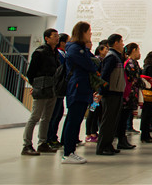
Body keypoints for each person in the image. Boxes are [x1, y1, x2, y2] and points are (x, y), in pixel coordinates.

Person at [61, 21, 98, 164]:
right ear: (82, 32)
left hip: (83, 87)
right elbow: (90, 65)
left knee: (76, 121)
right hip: (77, 87)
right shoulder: (75, 48)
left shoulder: (81, 48)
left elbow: (94, 64)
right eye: (89, 31)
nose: (90, 34)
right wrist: (90, 61)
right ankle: (68, 153)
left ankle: (71, 151)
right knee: (73, 121)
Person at [22, 28, 60, 156]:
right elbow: (30, 73)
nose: (57, 38)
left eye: (57, 36)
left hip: (52, 88)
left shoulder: (55, 53)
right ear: (47, 38)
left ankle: (42, 143)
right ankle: (27, 145)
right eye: (54, 36)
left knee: (47, 118)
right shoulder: (40, 52)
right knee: (35, 116)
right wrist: (36, 85)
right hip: (42, 88)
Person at [96, 34, 128, 155]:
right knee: (108, 121)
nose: (123, 44)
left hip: (117, 92)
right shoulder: (111, 57)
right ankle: (102, 147)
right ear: (116, 43)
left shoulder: (117, 56)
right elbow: (105, 75)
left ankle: (108, 145)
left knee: (113, 121)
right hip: (110, 93)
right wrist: (102, 91)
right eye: (121, 42)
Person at [46, 33, 68, 149]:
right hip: (57, 87)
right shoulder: (58, 54)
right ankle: (49, 138)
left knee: (58, 113)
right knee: (53, 114)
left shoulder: (63, 54)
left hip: (61, 88)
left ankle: (53, 137)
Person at [84, 42, 108, 143]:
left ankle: (94, 132)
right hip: (95, 91)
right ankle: (89, 133)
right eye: (105, 49)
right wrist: (96, 89)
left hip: (98, 90)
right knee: (92, 111)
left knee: (97, 112)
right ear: (100, 50)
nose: (107, 51)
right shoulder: (96, 60)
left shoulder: (101, 60)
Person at [119, 43, 142, 148]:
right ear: (133, 50)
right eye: (138, 50)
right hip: (128, 93)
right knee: (123, 117)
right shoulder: (130, 63)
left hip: (132, 93)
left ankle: (123, 139)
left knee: (126, 116)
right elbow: (134, 78)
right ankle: (121, 140)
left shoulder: (134, 63)